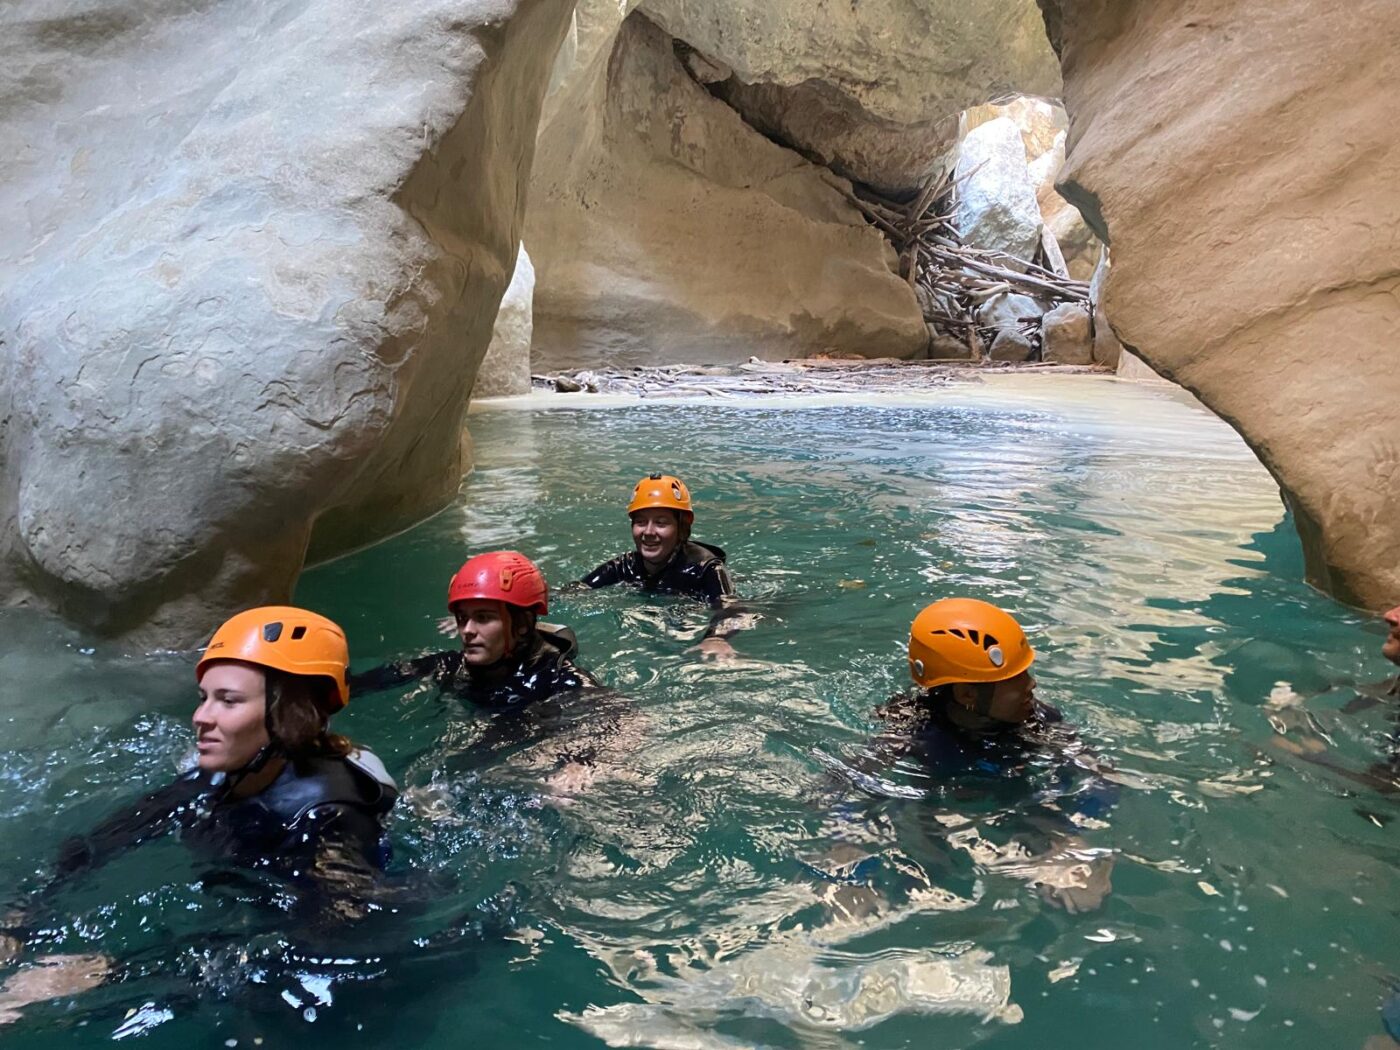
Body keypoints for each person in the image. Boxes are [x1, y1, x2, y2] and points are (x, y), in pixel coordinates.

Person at [0, 606, 398, 1022]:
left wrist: (112, 972)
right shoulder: (221, 773)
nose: (200, 717)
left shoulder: (331, 813)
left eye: (228, 701)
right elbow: (101, 842)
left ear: (291, 714)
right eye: (204, 698)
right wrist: (19, 917)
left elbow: (328, 938)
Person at [822, 598, 1116, 914]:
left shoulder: (1039, 721)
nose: (1032, 684)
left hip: (1017, 801)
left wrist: (1071, 831)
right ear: (966, 695)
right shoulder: (912, 730)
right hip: (928, 805)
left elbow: (1104, 779)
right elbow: (840, 787)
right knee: (899, 877)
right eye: (1016, 678)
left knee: (1083, 890)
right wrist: (846, 845)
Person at [355, 550, 598, 710]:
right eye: (462, 618)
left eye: (483, 618)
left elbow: (618, 723)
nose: (467, 631)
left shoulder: (557, 680)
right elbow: (373, 681)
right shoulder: (452, 667)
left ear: (522, 624)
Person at [578, 473, 748, 660]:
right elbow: (576, 591)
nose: (649, 532)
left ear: (681, 528)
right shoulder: (625, 566)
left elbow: (734, 610)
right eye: (641, 522)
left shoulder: (706, 569)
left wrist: (716, 638)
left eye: (661, 523)